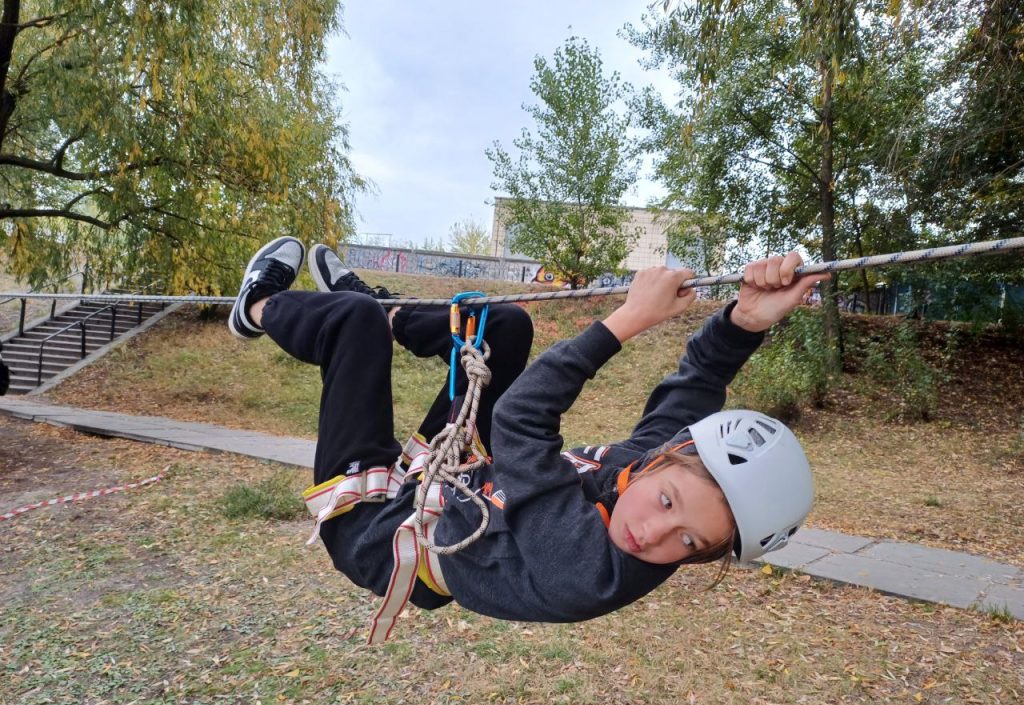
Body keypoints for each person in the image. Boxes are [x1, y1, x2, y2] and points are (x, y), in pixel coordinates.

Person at [227, 237, 827, 637]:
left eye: (689, 542)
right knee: (505, 327)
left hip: (379, 531)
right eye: (667, 503)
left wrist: (629, 318)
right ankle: (385, 310)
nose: (652, 534)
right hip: (454, 487)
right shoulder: (658, 467)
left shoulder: (586, 568)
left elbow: (520, 420)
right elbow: (699, 382)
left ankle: (257, 306)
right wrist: (745, 320)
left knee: (347, 326)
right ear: (666, 457)